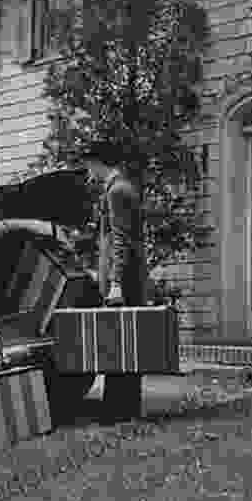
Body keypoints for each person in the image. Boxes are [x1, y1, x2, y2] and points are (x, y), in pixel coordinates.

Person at [79, 143, 146, 421]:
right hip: (129, 276)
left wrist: (116, 282)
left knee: (119, 342)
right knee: (124, 341)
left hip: (125, 279)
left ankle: (118, 410)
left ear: (97, 163)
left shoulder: (117, 191)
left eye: (88, 164)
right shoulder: (120, 188)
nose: (87, 171)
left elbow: (120, 239)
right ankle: (123, 407)